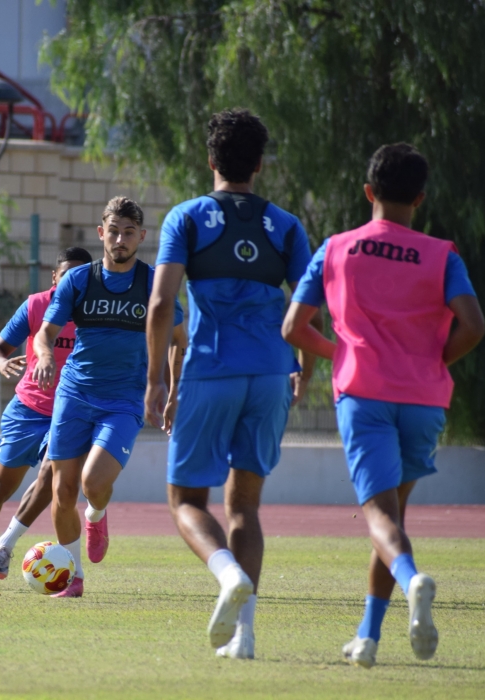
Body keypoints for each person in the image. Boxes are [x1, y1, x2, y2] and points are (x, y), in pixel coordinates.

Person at [281, 142, 485, 667]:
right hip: (424, 398)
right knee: (392, 517)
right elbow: (475, 325)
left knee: (377, 515)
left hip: (365, 393)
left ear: (368, 191)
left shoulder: (336, 248)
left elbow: (293, 328)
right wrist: (433, 360)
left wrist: (339, 351)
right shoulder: (443, 254)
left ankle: (414, 579)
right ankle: (368, 638)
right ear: (419, 198)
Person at [145, 108, 316, 659]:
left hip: (211, 370)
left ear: (211, 160)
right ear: (260, 165)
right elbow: (310, 310)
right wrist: (305, 371)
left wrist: (154, 382)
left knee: (186, 500)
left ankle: (224, 574)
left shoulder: (187, 218)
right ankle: (244, 636)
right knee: (245, 507)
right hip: (270, 374)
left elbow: (160, 304)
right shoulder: (287, 226)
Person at [33, 196, 186, 598]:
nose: (120, 239)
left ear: (141, 237)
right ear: (101, 233)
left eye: (128, 233)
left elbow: (179, 341)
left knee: (92, 483)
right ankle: (73, 576)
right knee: (62, 491)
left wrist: (172, 392)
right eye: (113, 231)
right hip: (75, 393)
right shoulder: (79, 280)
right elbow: (45, 333)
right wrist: (46, 356)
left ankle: (97, 515)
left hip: (124, 399)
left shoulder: (154, 284)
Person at [0, 247, 93, 589]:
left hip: (70, 411)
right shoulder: (36, 305)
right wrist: (2, 363)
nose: (73, 279)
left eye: (80, 274)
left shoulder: (97, 315)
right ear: (55, 278)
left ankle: (6, 545)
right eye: (66, 273)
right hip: (26, 409)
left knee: (51, 475)